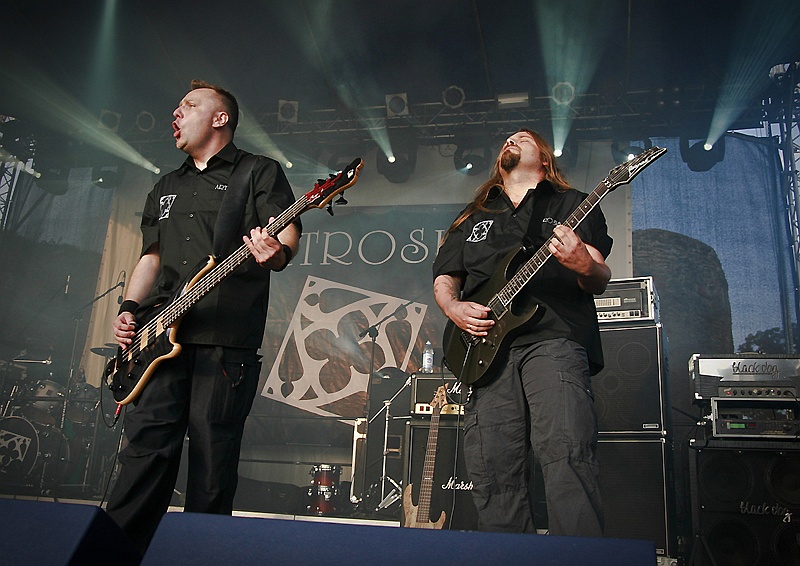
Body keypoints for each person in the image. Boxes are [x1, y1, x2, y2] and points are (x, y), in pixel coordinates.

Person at [106, 79, 301, 553]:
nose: (176, 112)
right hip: (158, 340)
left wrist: (274, 253)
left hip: (225, 337)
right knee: (143, 452)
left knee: (212, 458)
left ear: (220, 119)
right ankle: (113, 552)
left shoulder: (258, 171)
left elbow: (288, 233)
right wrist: (129, 310)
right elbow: (152, 256)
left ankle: (200, 556)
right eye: (176, 106)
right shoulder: (166, 185)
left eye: (189, 105)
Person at [432, 128, 612, 537]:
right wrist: (453, 306)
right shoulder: (474, 215)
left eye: (522, 138)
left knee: (565, 452)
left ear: (544, 159)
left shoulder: (573, 204)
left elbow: (598, 275)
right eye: (506, 140)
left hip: (553, 336)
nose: (509, 141)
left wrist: (582, 261)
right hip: (485, 350)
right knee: (494, 468)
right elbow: (446, 276)